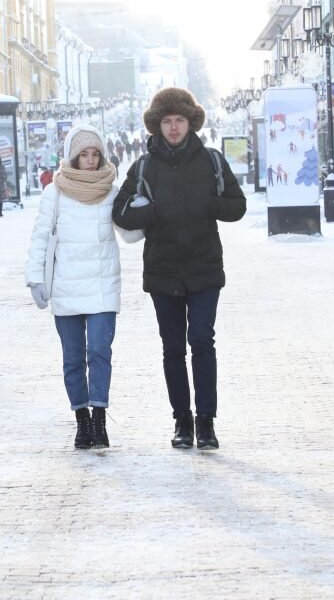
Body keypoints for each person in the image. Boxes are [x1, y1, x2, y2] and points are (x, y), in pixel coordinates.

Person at [112, 87, 246, 451]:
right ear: (157, 125)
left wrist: (209, 204)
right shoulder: (143, 166)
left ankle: (206, 422)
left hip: (203, 268)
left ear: (191, 123)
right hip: (163, 270)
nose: (173, 128)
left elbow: (237, 206)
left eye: (180, 121)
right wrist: (150, 213)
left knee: (202, 340)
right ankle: (181, 420)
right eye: (167, 121)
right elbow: (120, 212)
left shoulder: (212, 161)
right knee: (172, 347)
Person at [26, 124, 139, 450]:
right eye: (83, 155)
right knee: (73, 358)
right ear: (72, 158)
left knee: (100, 353)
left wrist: (146, 211)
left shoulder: (112, 191)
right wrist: (34, 277)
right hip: (66, 287)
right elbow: (40, 239)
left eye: (95, 154)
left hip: (103, 286)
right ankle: (82, 421)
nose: (90, 161)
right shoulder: (55, 193)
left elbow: (130, 234)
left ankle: (100, 418)